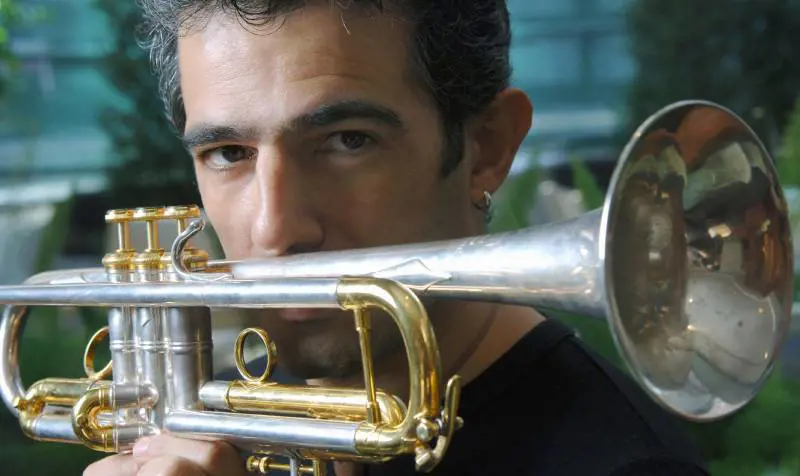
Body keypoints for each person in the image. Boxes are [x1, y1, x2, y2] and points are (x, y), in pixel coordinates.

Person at [85, 1, 710, 475]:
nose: (275, 228)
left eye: (348, 140)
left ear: (486, 148)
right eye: (228, 153)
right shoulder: (215, 420)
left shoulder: (627, 464)